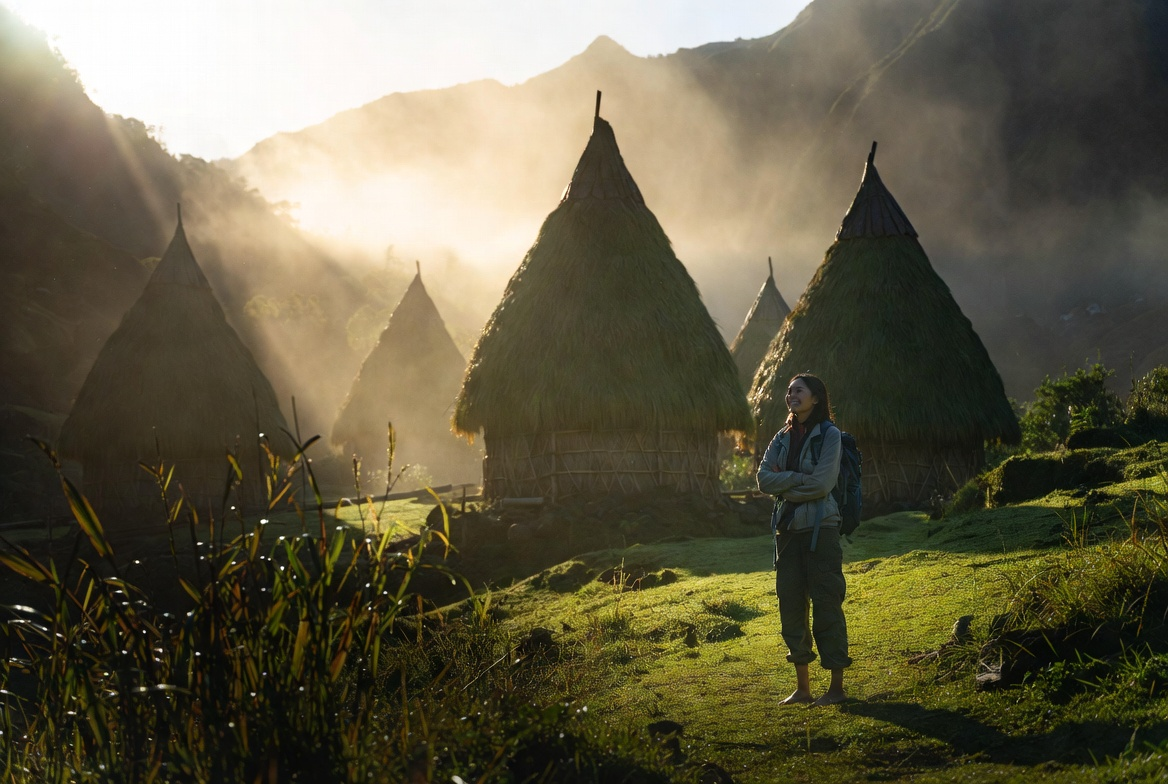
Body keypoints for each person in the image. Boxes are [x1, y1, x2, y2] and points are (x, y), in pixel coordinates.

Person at [756, 372, 851, 706]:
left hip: (820, 529)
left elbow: (823, 485)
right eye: (789, 391)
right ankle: (803, 688)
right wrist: (797, 478)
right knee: (791, 606)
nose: (791, 395)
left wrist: (787, 483)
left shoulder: (830, 436)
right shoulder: (781, 437)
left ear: (816, 397)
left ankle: (836, 688)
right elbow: (763, 479)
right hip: (787, 532)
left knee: (827, 603)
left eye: (798, 390)